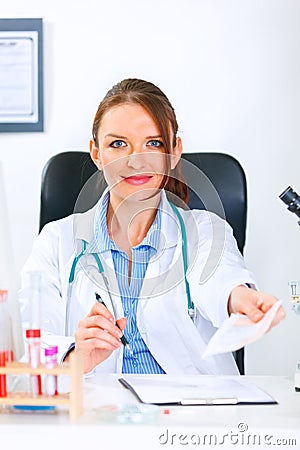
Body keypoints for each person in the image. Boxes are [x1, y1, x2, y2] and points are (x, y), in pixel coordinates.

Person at [20, 78, 285, 375]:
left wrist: (242, 300)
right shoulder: (56, 242)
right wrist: (78, 357)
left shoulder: (206, 231)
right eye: (118, 144)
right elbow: (34, 342)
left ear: (174, 152)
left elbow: (220, 281)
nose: (136, 161)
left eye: (154, 143)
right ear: (96, 153)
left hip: (194, 413)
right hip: (96, 413)